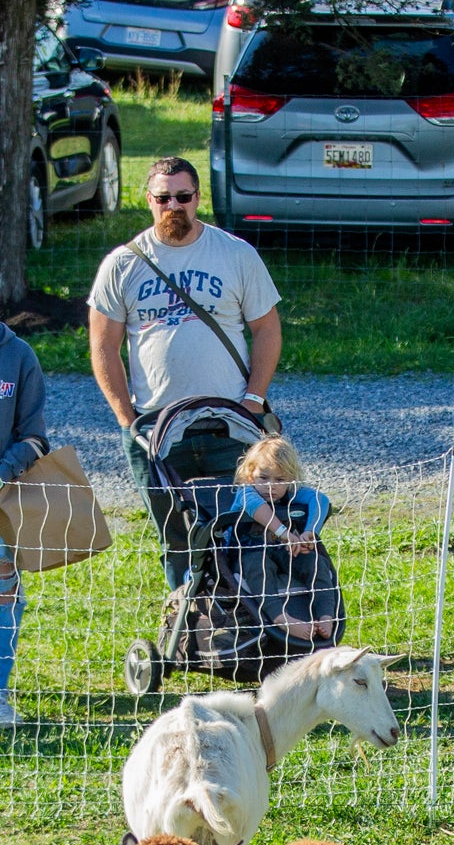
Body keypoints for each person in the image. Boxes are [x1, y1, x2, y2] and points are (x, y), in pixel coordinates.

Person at [88, 156, 282, 589]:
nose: (173, 205)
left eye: (183, 196)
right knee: (176, 538)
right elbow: (103, 346)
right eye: (163, 197)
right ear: (149, 200)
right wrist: (127, 418)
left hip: (229, 423)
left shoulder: (235, 254)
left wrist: (253, 399)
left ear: (198, 198)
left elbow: (267, 329)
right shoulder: (122, 264)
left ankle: (248, 625)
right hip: (154, 427)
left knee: (244, 527)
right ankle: (188, 627)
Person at [232, 436, 337, 644]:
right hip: (249, 551)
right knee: (259, 569)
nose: (270, 486)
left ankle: (326, 615)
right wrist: (283, 532)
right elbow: (257, 508)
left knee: (315, 563)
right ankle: (281, 618)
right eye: (264, 478)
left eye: (279, 480)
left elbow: (320, 499)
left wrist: (309, 532)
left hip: (286, 550)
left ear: (290, 478)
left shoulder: (290, 494)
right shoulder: (246, 493)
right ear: (250, 474)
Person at [0, 323, 50, 728]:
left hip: (0, 495)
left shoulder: (19, 356)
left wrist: (3, 469)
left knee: (4, 593)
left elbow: (34, 437)